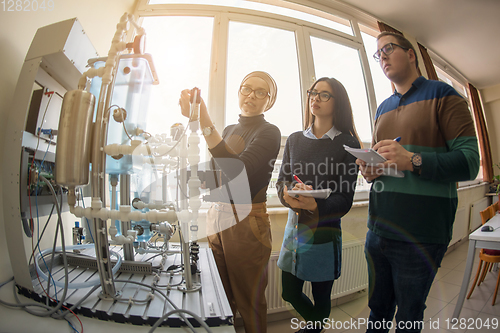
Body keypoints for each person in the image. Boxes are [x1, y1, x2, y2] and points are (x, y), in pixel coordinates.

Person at [357, 31, 480, 333]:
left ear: (411, 54)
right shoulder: (382, 108)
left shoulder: (445, 95)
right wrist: (371, 171)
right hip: (378, 228)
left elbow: (469, 163)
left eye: (388, 48)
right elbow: (384, 162)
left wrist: (412, 159)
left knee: (409, 316)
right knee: (378, 311)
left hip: (421, 233)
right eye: (378, 53)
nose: (382, 55)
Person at [179, 71, 281, 333]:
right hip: (216, 215)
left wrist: (205, 122)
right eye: (247, 88)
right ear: (239, 91)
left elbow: (239, 171)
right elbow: (219, 175)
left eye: (261, 92)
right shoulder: (229, 130)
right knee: (220, 294)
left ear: (269, 101)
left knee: (249, 301)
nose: (251, 96)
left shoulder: (269, 132)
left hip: (246, 221)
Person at [276, 77, 360, 333]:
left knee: (322, 297)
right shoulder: (293, 139)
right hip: (294, 230)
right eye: (313, 92)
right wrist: (286, 196)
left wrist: (315, 205)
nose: (315, 98)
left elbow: (344, 199)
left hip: (325, 231)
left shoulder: (348, 144)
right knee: (289, 293)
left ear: (338, 104)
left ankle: (314, 328)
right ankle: (316, 326)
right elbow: (282, 181)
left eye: (324, 95)